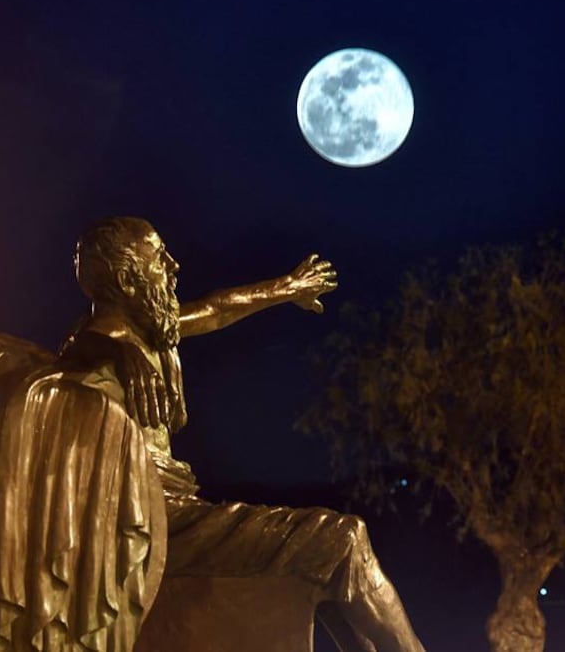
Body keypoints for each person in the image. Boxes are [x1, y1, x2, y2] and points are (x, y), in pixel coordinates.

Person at [64, 216, 426, 652]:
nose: (174, 266)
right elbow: (73, 357)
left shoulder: (149, 335)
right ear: (127, 278)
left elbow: (218, 309)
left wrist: (287, 287)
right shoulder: (96, 357)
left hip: (173, 511)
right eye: (160, 258)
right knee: (341, 538)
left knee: (321, 559)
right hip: (153, 519)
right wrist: (112, 342)